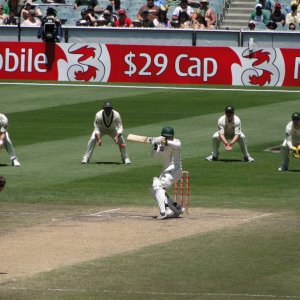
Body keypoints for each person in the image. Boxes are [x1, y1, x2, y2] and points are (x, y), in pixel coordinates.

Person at [149, 126, 185, 220]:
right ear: (163, 136)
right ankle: (177, 209)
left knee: (158, 186)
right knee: (154, 190)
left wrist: (164, 141)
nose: (168, 138)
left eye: (170, 137)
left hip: (175, 170)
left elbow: (178, 145)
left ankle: (164, 211)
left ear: (173, 136)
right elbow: (153, 156)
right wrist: (155, 145)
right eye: (166, 137)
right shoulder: (161, 143)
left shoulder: (176, 141)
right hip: (166, 171)